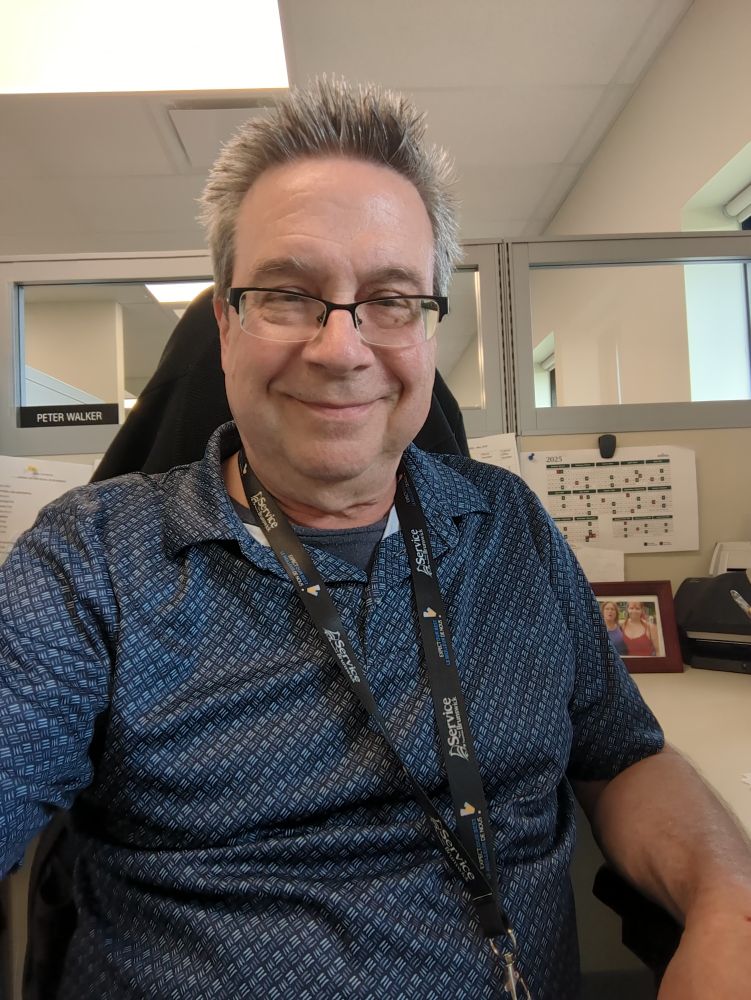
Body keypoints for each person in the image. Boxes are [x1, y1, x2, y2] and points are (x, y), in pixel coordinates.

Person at [1, 78, 750, 1000]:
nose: (341, 348)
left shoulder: (506, 525)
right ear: (225, 324)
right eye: (288, 294)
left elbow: (623, 755)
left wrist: (726, 902)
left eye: (390, 298)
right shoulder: (94, 556)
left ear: (427, 327)